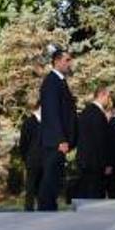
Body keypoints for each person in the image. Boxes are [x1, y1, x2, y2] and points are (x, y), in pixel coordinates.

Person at [37, 47, 76, 212]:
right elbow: (52, 113)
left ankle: (49, 210)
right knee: (50, 179)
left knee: (54, 179)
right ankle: (45, 212)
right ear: (57, 61)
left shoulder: (59, 81)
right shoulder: (51, 82)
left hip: (57, 140)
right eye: (67, 60)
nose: (69, 63)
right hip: (54, 141)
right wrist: (61, 139)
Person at [74, 86, 112, 199]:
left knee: (84, 193)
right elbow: (101, 141)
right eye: (108, 97)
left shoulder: (86, 112)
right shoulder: (98, 115)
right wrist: (106, 163)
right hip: (95, 163)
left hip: (83, 160)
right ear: (101, 95)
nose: (109, 100)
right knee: (94, 195)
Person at [18, 103, 43, 211]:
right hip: (32, 159)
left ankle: (43, 209)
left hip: (45, 160)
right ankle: (29, 210)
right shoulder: (28, 122)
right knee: (31, 187)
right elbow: (23, 143)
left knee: (43, 187)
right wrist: (25, 158)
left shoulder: (48, 123)